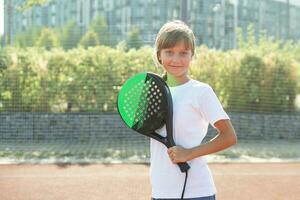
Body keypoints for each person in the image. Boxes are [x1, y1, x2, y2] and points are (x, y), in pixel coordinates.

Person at [150, 20, 237, 200]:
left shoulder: (201, 92)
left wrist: (189, 153)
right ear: (159, 55)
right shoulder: (151, 91)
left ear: (191, 56)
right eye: (169, 52)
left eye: (183, 53)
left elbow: (229, 136)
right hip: (160, 192)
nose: (176, 59)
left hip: (196, 192)